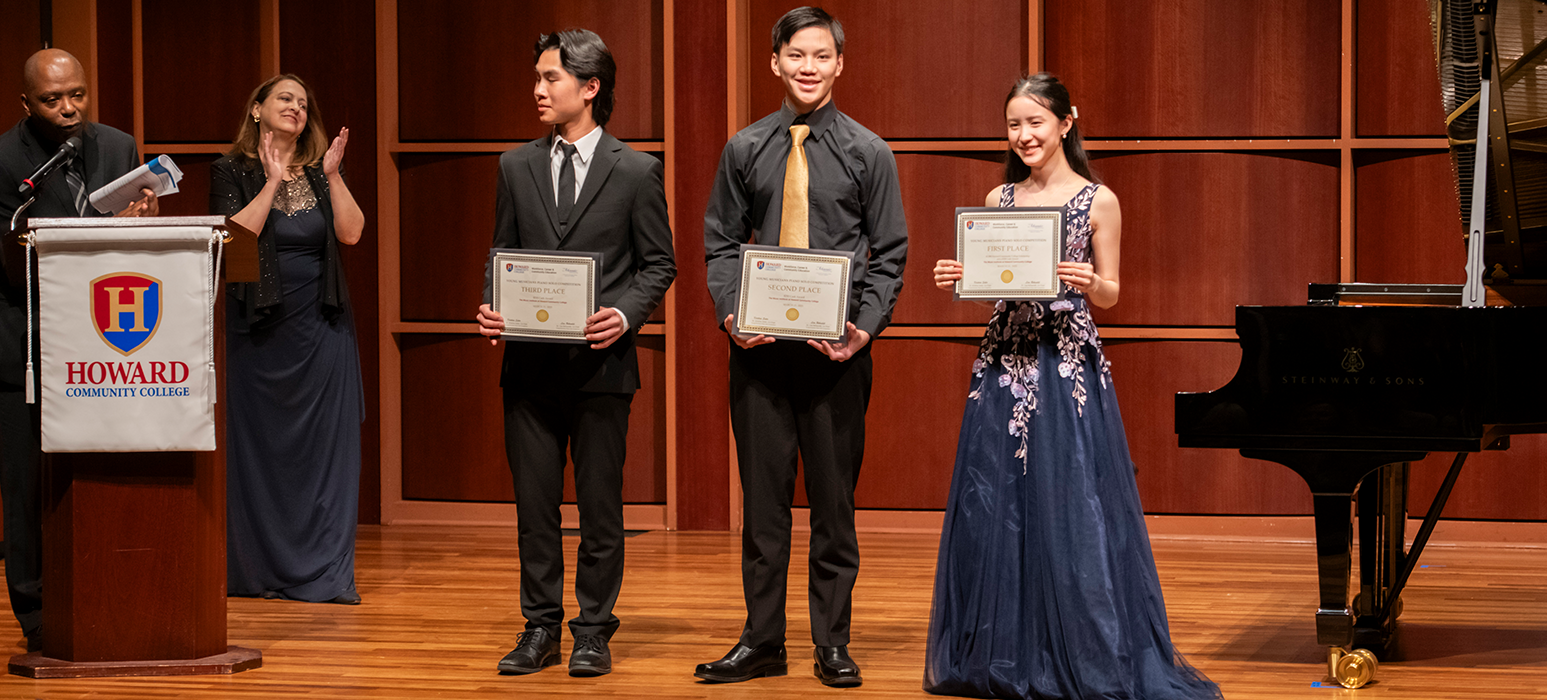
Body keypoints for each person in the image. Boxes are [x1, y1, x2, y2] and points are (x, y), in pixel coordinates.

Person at [925, 74, 1221, 699]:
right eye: (1014, 124)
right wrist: (959, 277)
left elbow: (1111, 293)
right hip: (1005, 362)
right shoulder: (999, 198)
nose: (1024, 135)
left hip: (1065, 364)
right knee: (999, 499)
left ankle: (1080, 653)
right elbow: (993, 282)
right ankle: (1003, 654)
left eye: (1036, 122)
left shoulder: (1098, 200)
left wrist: (1089, 281)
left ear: (1066, 123)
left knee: (1070, 499)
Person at [697, 6, 908, 688]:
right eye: (796, 55)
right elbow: (720, 243)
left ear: (839, 64)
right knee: (763, 511)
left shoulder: (869, 152)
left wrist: (863, 329)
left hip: (835, 357)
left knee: (833, 509)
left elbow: (891, 252)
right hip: (759, 356)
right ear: (775, 63)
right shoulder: (744, 148)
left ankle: (832, 643)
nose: (808, 67)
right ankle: (762, 641)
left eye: (821, 55)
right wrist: (731, 314)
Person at [475, 29, 676, 678]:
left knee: (599, 509)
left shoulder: (637, 170)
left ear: (590, 87)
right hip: (528, 368)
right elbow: (502, 253)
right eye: (537, 77)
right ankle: (539, 627)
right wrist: (492, 304)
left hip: (601, 368)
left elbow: (659, 264)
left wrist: (625, 313)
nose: (537, 89)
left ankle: (592, 630)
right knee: (534, 510)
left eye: (550, 78)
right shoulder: (515, 165)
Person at [0, 48, 158, 652]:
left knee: (104, 475)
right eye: (52, 99)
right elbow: (14, 261)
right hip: (27, 344)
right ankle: (36, 615)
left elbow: (136, 251)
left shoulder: (119, 146)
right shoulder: (1, 162)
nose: (69, 108)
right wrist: (106, 233)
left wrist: (143, 221)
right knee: (27, 487)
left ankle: (111, 595)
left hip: (104, 346)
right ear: (26, 103)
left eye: (77, 94)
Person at [209, 74, 365, 606]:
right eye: (285, 98)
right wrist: (271, 181)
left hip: (321, 329)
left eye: (303, 102)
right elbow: (234, 240)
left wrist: (335, 175)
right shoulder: (230, 170)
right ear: (257, 109)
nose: (297, 106)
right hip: (257, 332)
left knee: (323, 453)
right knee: (261, 451)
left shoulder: (322, 172)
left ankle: (324, 573)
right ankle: (258, 568)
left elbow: (352, 233)